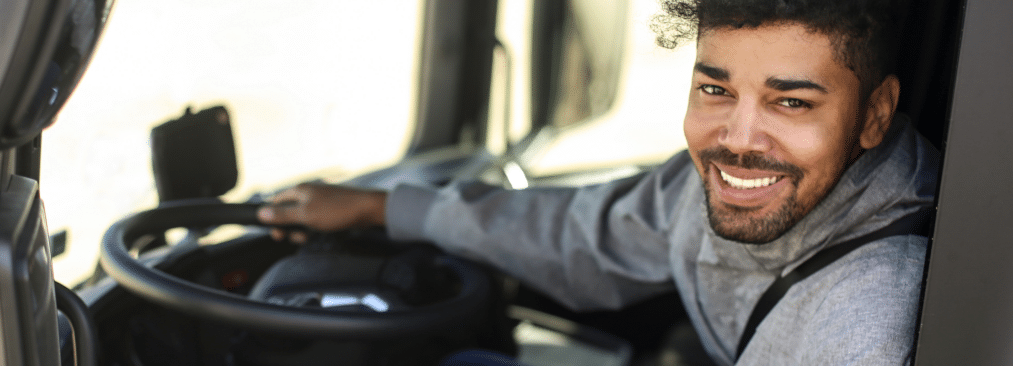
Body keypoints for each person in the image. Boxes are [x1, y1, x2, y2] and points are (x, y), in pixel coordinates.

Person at [257, 0, 938, 364]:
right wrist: (384, 207)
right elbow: (580, 239)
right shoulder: (715, 187)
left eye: (792, 103)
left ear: (874, 113)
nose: (737, 139)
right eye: (715, 89)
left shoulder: (874, 320)